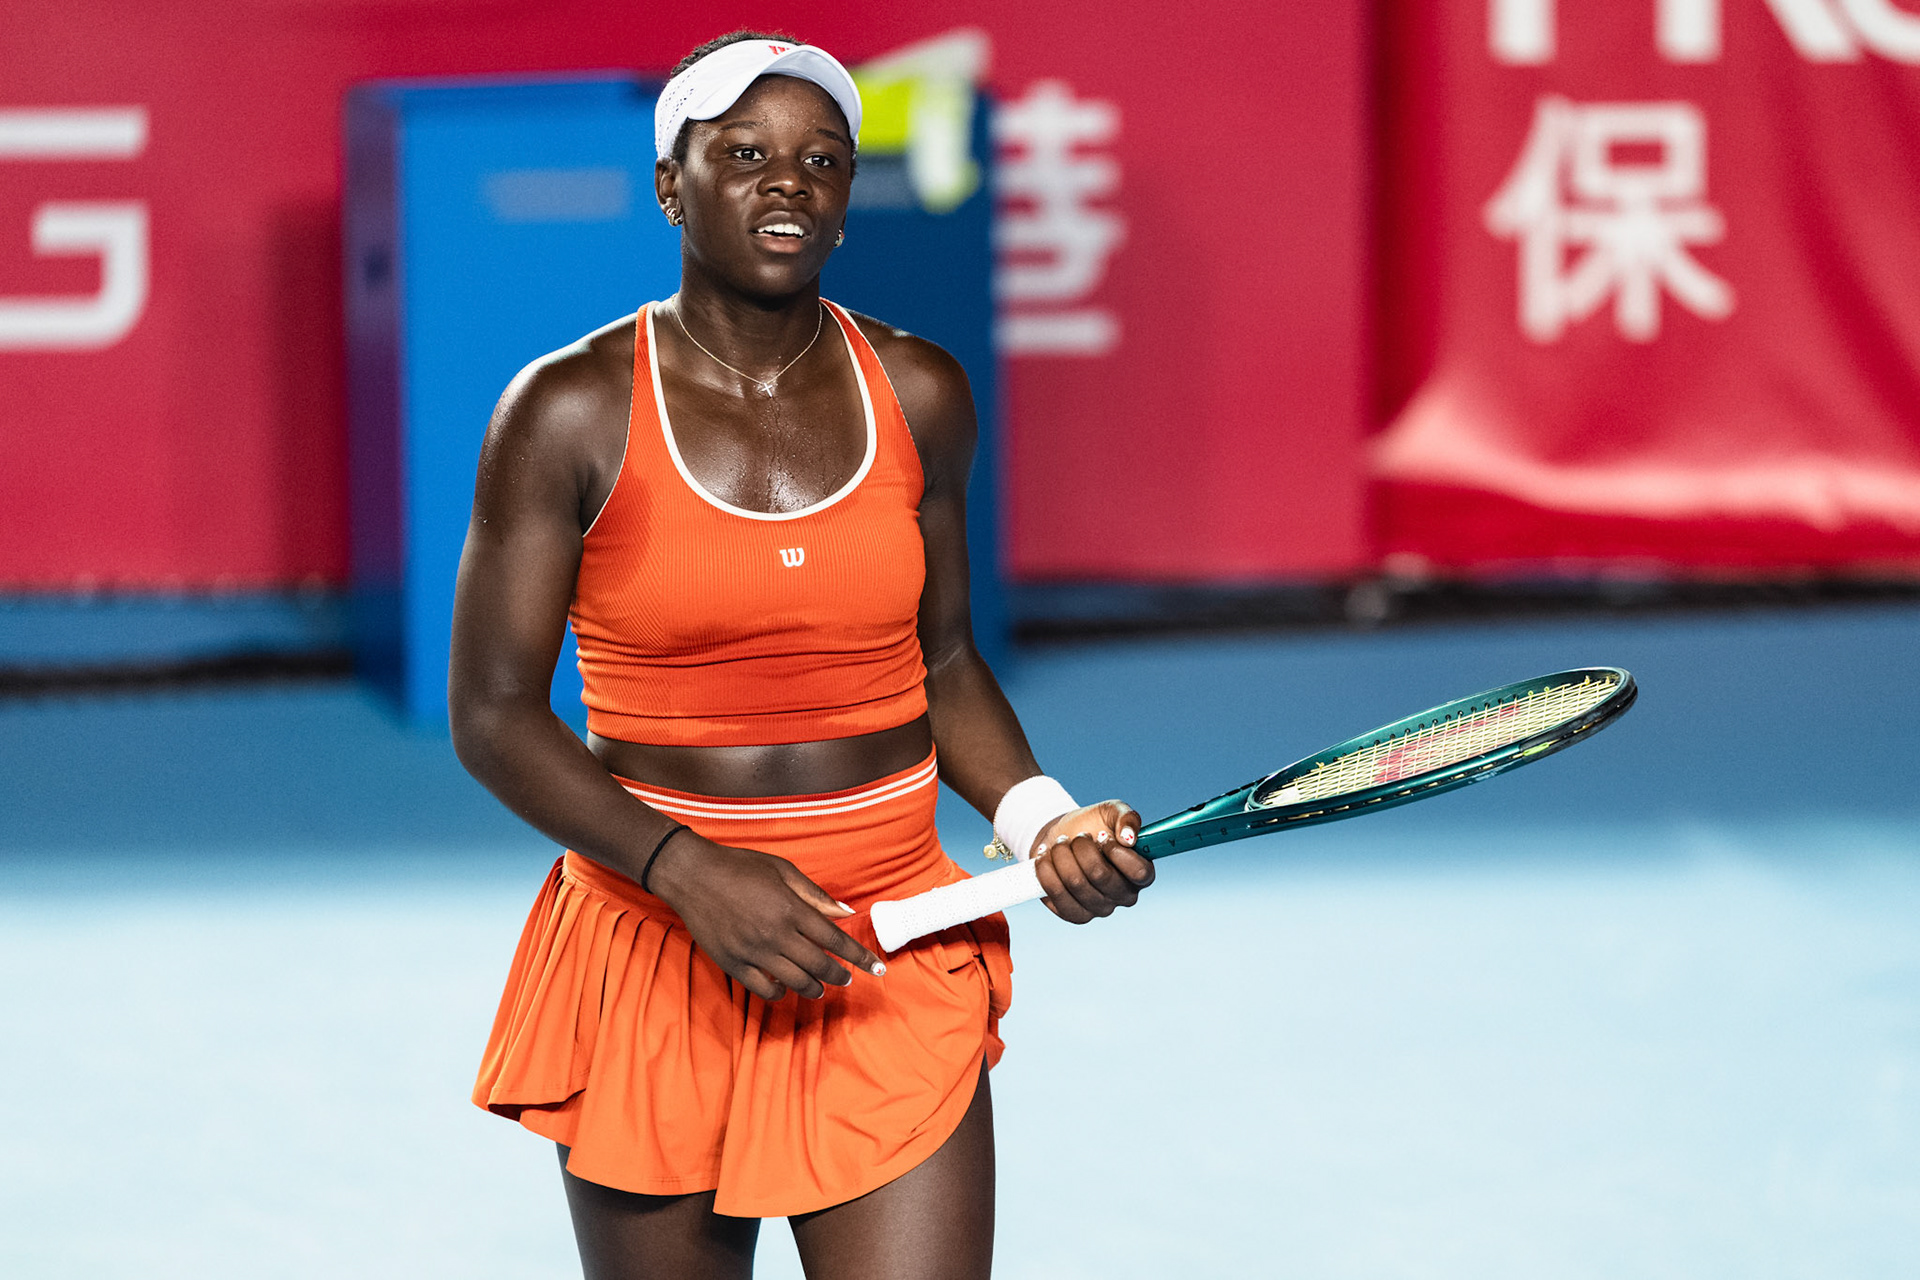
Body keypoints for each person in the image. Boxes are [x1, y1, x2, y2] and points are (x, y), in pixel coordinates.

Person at [450, 31, 1153, 1280]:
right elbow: (495, 711)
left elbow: (944, 662)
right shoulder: (564, 409)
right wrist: (684, 870)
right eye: (745, 154)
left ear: (844, 200)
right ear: (674, 186)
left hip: (889, 940)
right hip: (655, 946)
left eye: (821, 159)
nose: (789, 181)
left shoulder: (921, 390)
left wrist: (1040, 815)